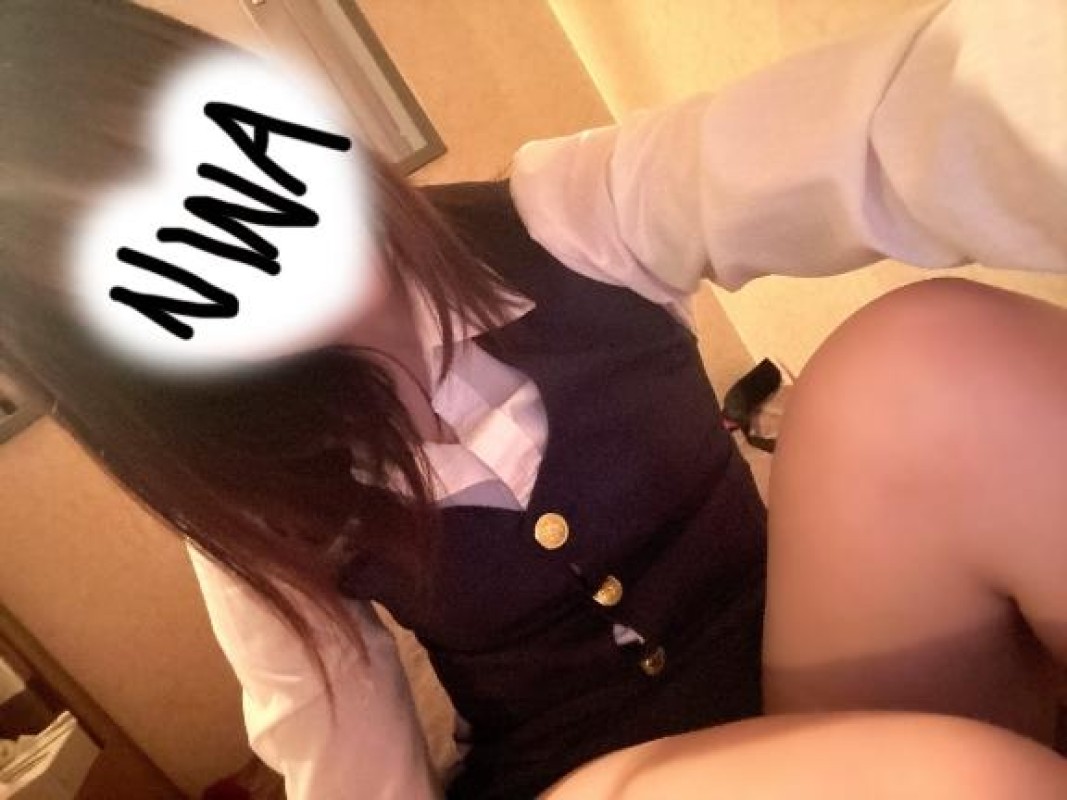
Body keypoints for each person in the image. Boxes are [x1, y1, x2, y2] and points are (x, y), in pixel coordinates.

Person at [1, 0, 1064, 798]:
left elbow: (884, 126)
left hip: (807, 666)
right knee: (964, 777)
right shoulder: (250, 489)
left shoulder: (568, 212)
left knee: (930, 358)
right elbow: (348, 767)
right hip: (591, 777)